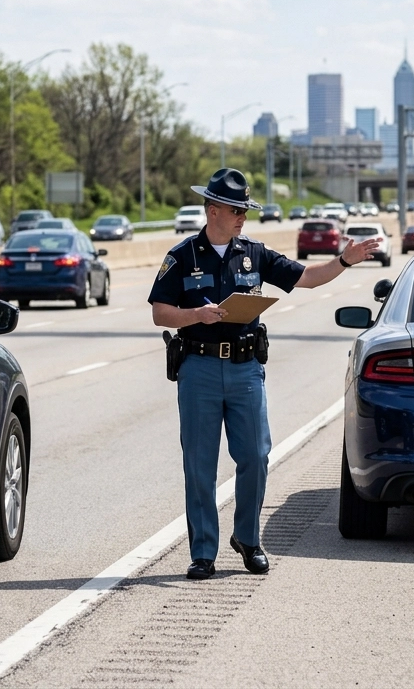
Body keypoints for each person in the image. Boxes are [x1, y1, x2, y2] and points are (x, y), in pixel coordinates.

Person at [149, 168, 381, 580]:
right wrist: (196, 316)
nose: (243, 216)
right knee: (200, 464)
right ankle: (203, 552)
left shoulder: (253, 253)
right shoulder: (182, 256)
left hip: (245, 370)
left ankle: (248, 539)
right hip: (199, 367)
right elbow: (160, 312)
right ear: (213, 209)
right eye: (237, 209)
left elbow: (306, 278)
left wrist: (345, 260)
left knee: (255, 456)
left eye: (245, 210)